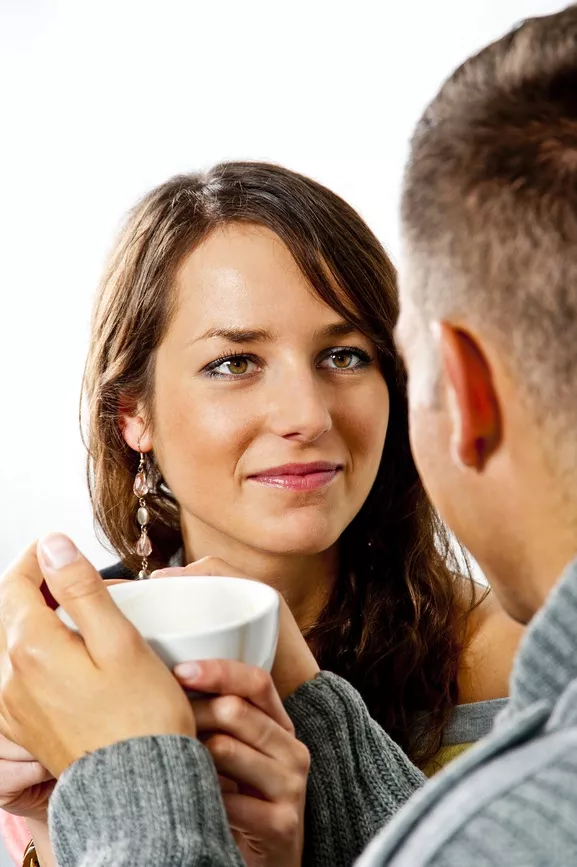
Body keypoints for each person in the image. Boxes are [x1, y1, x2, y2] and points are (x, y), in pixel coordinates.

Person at [2, 4, 577, 866]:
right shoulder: (44, 671)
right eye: (234, 363)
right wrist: (54, 825)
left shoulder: (519, 656)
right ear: (133, 416)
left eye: (345, 355)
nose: (306, 413)